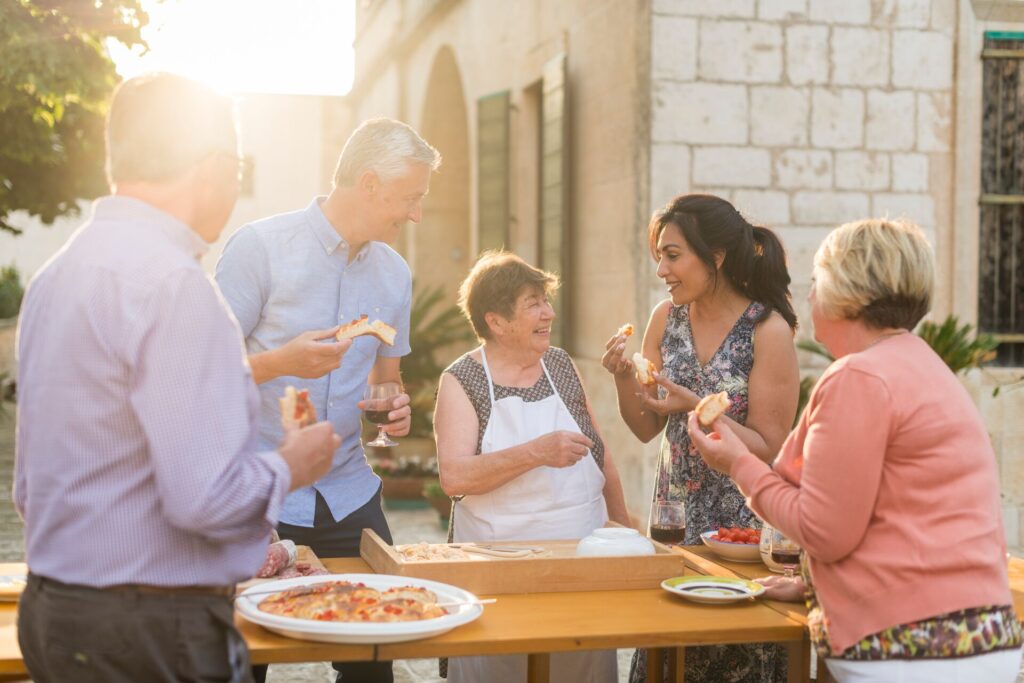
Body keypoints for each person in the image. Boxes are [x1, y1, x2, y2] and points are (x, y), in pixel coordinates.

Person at [13, 73, 338, 683]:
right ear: (214, 167)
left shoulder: (56, 277)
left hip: (56, 609)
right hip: (149, 628)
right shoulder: (177, 288)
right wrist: (295, 463)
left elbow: (30, 489)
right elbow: (205, 499)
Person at [688, 218, 1024, 683]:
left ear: (844, 291)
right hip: (975, 640)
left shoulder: (858, 378)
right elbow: (906, 515)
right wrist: (813, 586)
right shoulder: (924, 366)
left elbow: (824, 531)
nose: (808, 296)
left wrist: (738, 463)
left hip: (907, 649)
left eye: (816, 280)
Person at [215, 117, 440, 683]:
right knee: (240, 663)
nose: (416, 215)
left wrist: (392, 406)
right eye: (410, 197)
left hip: (348, 496)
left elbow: (385, 380)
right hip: (256, 493)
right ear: (368, 183)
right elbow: (199, 375)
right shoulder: (259, 249)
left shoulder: (395, 274)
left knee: (375, 663)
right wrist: (280, 362)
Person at [601, 194, 799, 682]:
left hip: (741, 531)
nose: (662, 270)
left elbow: (771, 446)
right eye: (659, 258)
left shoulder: (768, 330)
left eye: (673, 256)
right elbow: (646, 427)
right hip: (674, 524)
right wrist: (624, 377)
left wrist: (694, 403)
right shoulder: (665, 319)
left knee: (734, 654)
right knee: (670, 657)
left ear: (716, 257)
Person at [433, 251, 629, 682]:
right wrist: (535, 453)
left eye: (546, 300)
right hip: (499, 570)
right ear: (496, 322)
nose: (549, 313)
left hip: (581, 563)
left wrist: (625, 534)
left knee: (581, 664)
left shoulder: (559, 364)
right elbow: (455, 477)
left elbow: (601, 454)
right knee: (503, 665)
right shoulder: (461, 380)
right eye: (534, 304)